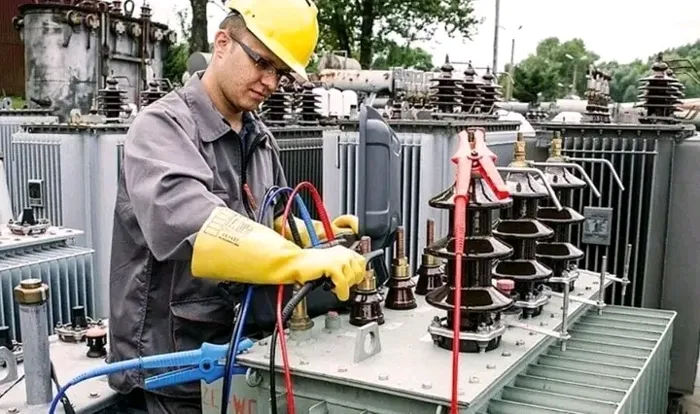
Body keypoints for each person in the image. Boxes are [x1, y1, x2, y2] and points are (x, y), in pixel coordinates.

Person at [106, 0, 366, 412]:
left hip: (240, 356)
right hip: (171, 376)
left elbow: (273, 218)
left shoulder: (259, 138)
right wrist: (298, 262)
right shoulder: (161, 129)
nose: (270, 82)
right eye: (262, 62)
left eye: (280, 73)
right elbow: (200, 229)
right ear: (222, 43)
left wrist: (317, 234)